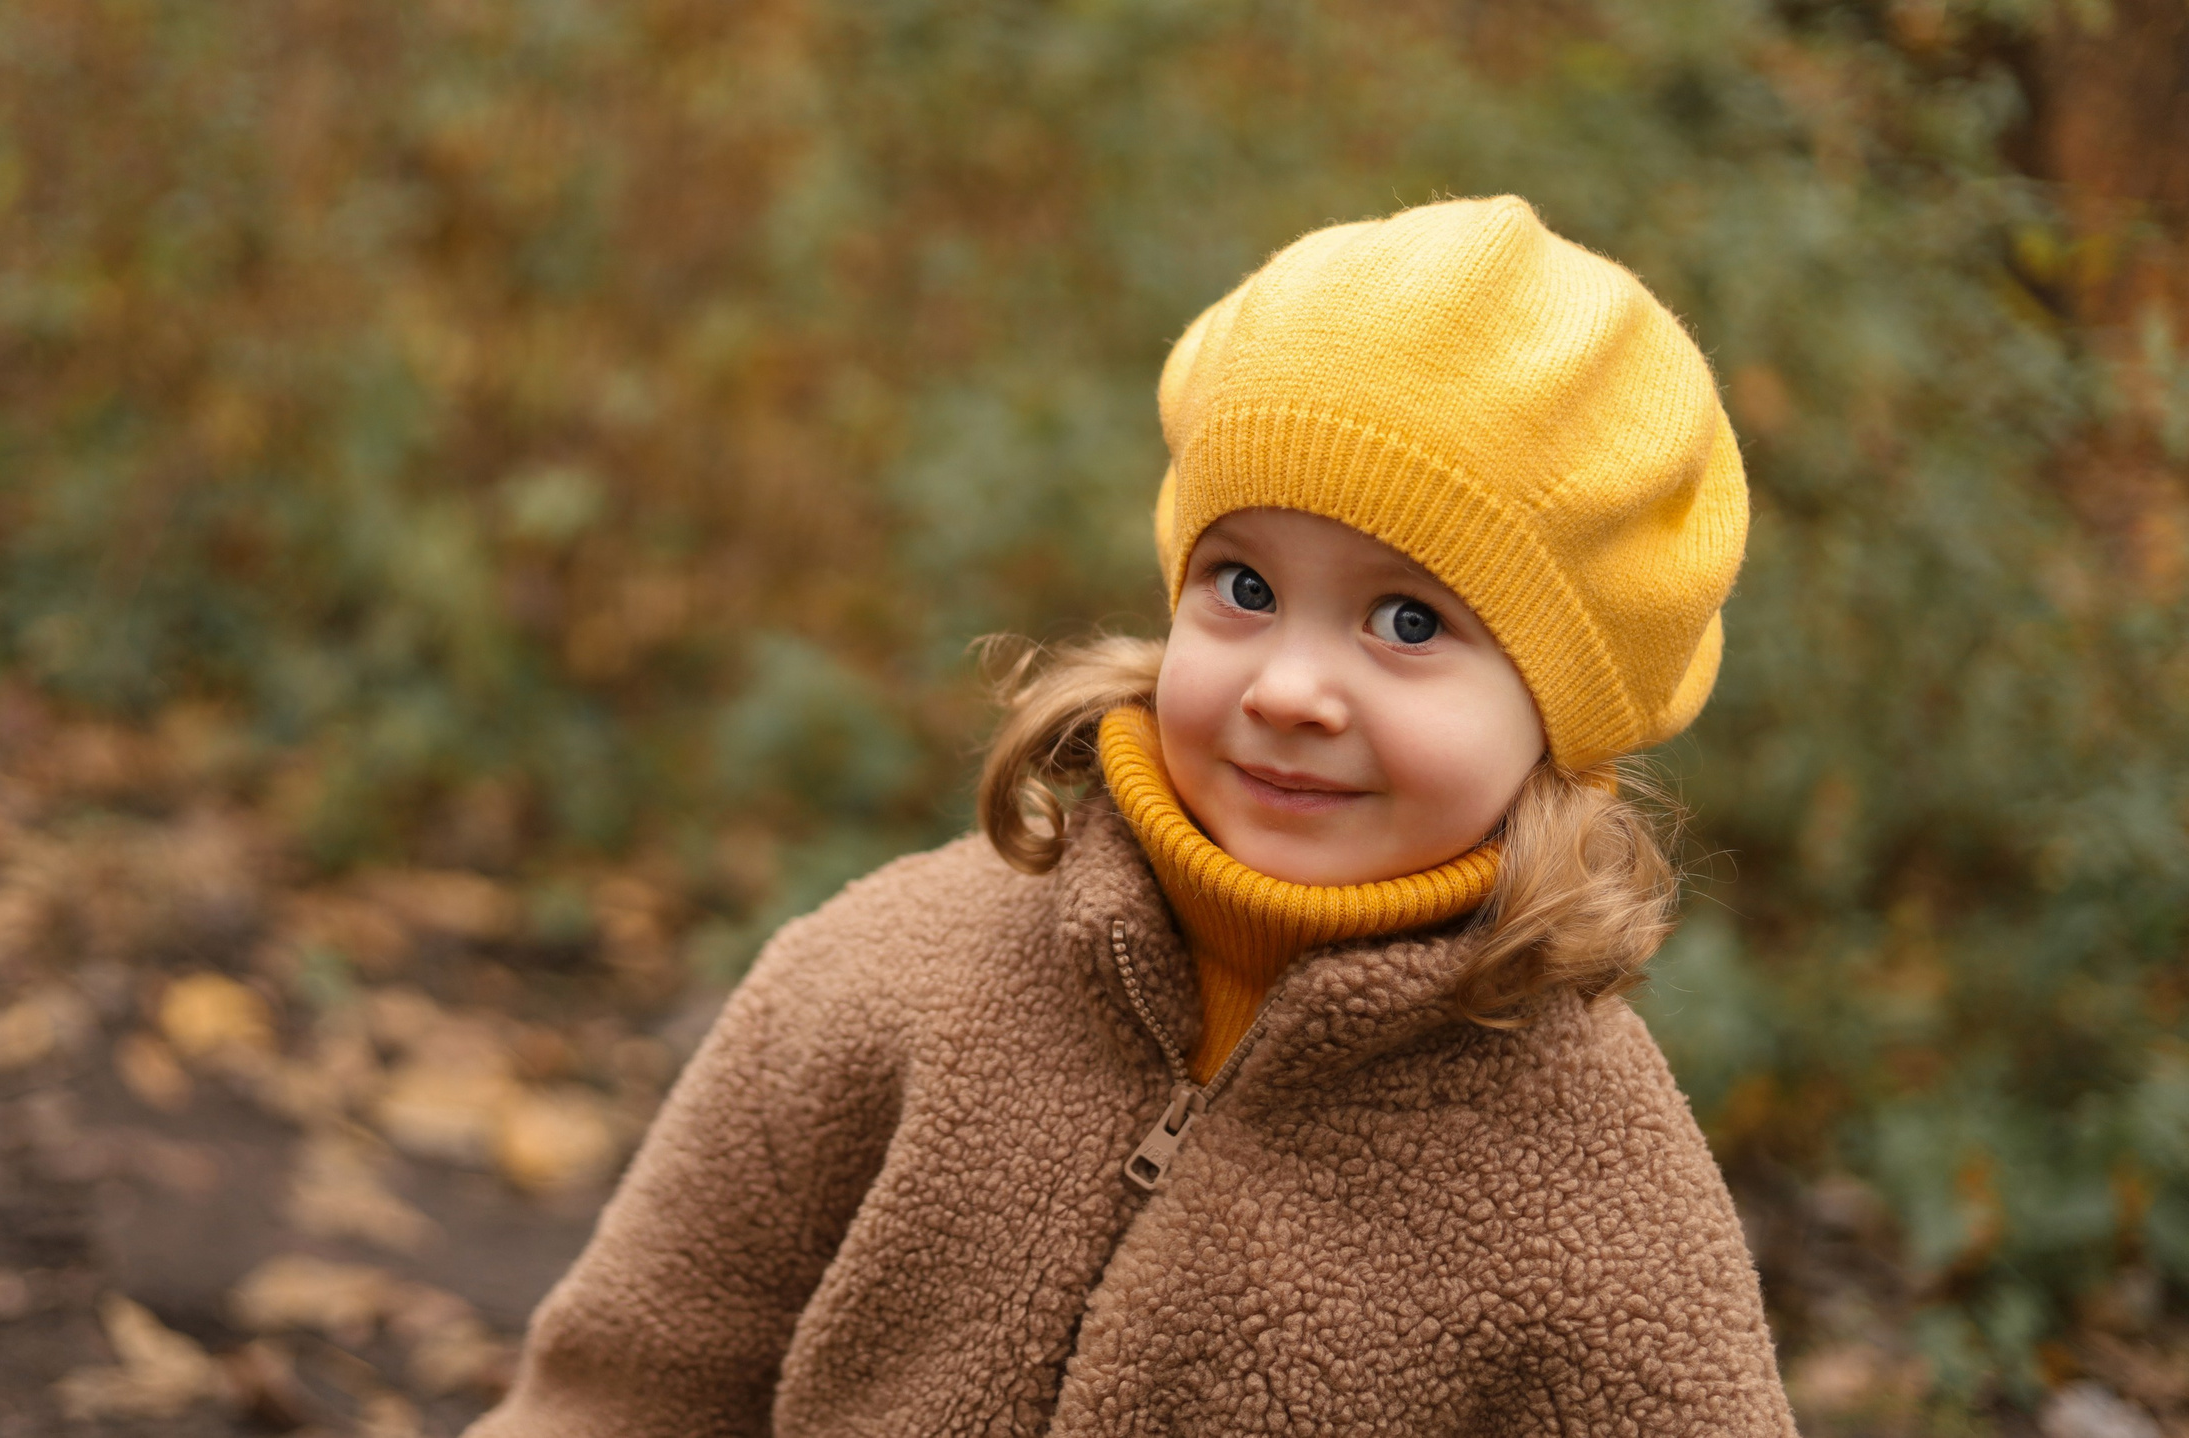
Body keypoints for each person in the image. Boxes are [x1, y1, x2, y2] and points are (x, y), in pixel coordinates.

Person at [469, 195, 1797, 1436]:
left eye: (1409, 621)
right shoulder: (891, 974)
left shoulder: (1599, 1197)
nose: (1289, 688)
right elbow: (624, 1384)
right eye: (1245, 585)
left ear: (1564, 708)